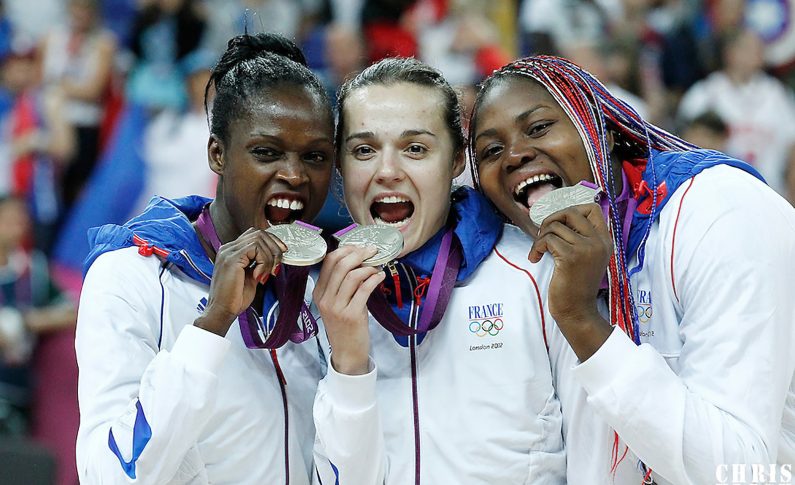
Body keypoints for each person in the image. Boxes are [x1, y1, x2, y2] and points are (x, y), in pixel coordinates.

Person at [469, 55, 795, 484]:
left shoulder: (723, 212)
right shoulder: (536, 263)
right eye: (491, 151)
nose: (514, 155)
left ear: (601, 135)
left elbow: (737, 470)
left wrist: (582, 320)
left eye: (539, 127)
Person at [75, 32, 335, 484]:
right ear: (217, 153)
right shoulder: (128, 277)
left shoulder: (321, 292)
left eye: (314, 156)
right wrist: (212, 323)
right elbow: (110, 475)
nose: (294, 174)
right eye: (266, 152)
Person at [311, 57, 565, 484]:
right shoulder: (317, 303)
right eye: (364, 150)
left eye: (416, 148)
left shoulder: (537, 271)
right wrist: (350, 365)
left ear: (456, 162)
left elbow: (599, 452)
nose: (387, 171)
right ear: (340, 167)